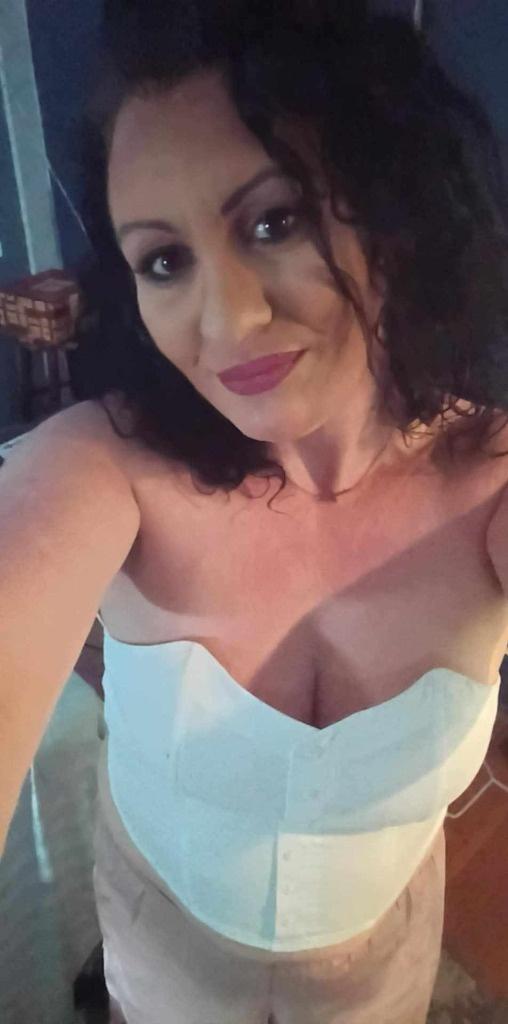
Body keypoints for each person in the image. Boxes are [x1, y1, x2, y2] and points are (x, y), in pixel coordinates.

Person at [2, 2, 508, 1021]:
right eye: (164, 261)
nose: (227, 318)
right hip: (162, 937)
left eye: (275, 222)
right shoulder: (102, 466)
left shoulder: (492, 481)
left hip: (382, 959)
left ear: (392, 211)